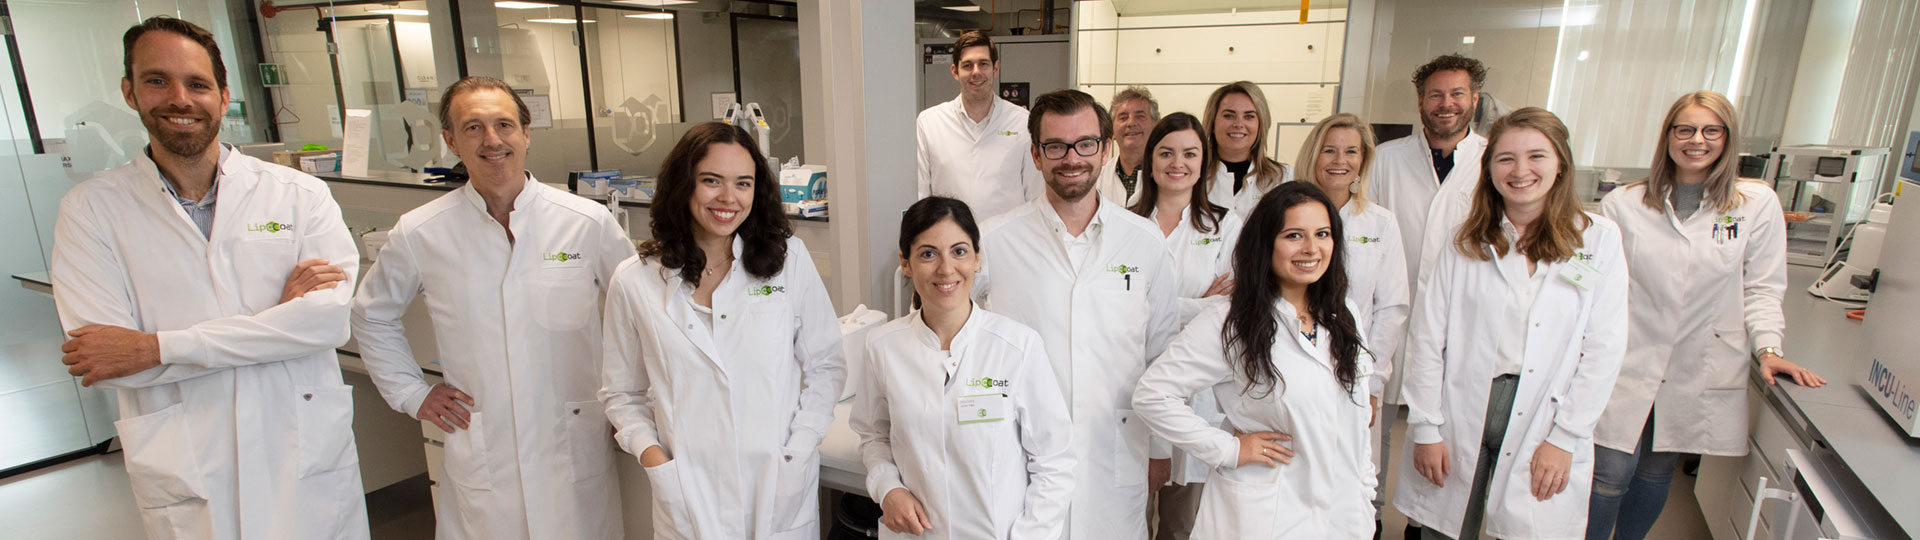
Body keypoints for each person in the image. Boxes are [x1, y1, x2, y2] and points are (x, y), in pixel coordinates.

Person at [52, 16, 368, 539]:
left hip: (297, 447)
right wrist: (276, 322)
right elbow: (109, 363)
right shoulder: (90, 210)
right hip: (187, 462)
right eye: (158, 81)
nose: (180, 99)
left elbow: (326, 323)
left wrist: (155, 347)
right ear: (130, 92)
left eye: (197, 84)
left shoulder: (298, 195)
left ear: (222, 98)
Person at [351, 77, 635, 539]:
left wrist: (632, 400)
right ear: (451, 141)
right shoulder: (422, 231)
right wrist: (412, 393)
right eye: (473, 127)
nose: (492, 140)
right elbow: (371, 314)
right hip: (484, 448)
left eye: (504, 125)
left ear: (526, 133)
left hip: (571, 443)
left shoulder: (585, 222)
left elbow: (639, 311)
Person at [1586, 91, 1827, 540]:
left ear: (1728, 138)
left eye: (1711, 130)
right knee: (1609, 471)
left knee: (1656, 470)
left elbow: (1762, 286)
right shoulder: (1624, 203)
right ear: (1668, 136)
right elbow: (1598, 283)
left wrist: (1769, 348)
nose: (1697, 140)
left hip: (1697, 358)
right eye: (1685, 129)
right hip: (1628, 354)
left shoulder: (1755, 203)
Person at [601, 122, 846, 539]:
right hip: (689, 492)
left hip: (777, 485)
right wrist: (653, 455)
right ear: (684, 184)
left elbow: (827, 365)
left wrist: (800, 445)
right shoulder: (635, 280)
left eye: (743, 183)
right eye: (711, 180)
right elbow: (621, 394)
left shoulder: (788, 261)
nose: (729, 198)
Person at [1393, 108, 1628, 540]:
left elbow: (1604, 349)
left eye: (1536, 156)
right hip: (1461, 406)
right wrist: (1425, 426)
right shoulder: (1465, 240)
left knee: (1527, 529)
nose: (1520, 171)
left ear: (1561, 164)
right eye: (1506, 158)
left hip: (1545, 412)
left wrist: (1565, 438)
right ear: (1489, 169)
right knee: (1443, 530)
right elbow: (1428, 338)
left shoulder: (1598, 239)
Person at [976, 89, 1180, 540]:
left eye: (1086, 144)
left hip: (1117, 447)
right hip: (1021, 451)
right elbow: (958, 337)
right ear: (1036, 155)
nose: (1072, 159)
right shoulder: (993, 241)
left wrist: (1161, 448)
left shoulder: (1144, 241)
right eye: (1056, 146)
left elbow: (1163, 355)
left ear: (1106, 150)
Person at [1134, 181, 1380, 539]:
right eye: (1294, 236)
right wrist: (1230, 449)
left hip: (1342, 519)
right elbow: (1152, 395)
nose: (1311, 248)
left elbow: (1356, 424)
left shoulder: (1344, 315)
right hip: (1264, 517)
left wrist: (1365, 498)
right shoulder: (1231, 321)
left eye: (1322, 234)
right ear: (1265, 243)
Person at [851, 196, 1076, 540]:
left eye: (959, 251)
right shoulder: (883, 346)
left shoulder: (1017, 347)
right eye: (928, 254)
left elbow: (1054, 461)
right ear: (905, 263)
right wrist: (888, 488)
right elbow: (873, 436)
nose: (946, 269)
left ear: (977, 257)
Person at [1370, 57, 1491, 538]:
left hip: (1461, 324)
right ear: (1420, 101)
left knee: (1442, 429)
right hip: (1390, 315)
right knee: (1374, 423)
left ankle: (1424, 524)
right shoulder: (1386, 159)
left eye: (1457, 94)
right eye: (1436, 95)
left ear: (1474, 99)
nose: (1446, 104)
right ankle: (1370, 513)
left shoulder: (1492, 160)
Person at [1123, 111, 1242, 540]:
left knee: (1182, 526)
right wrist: (1199, 304)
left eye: (1190, 154)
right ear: (1150, 160)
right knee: (1125, 515)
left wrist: (1159, 305)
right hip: (1132, 378)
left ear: (1203, 161)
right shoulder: (1123, 224)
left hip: (1199, 393)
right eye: (1166, 153)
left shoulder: (1226, 225)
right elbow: (1118, 307)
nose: (1178, 163)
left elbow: (1230, 310)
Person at [1292, 113, 1410, 533]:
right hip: (1294, 356)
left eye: (1351, 152)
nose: (1340, 160)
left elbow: (1392, 306)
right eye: (1329, 150)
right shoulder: (1284, 211)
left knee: (1351, 476)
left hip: (1353, 368)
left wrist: (1372, 381)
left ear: (1363, 160)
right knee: (1298, 473)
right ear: (1313, 154)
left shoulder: (1380, 222)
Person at [917, 29, 1043, 221]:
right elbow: (921, 196)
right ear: (955, 72)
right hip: (949, 237)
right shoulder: (929, 123)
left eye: (983, 64)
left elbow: (1035, 195)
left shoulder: (1022, 122)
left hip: (1007, 238)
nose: (976, 72)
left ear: (996, 68)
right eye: (967, 65)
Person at [1203, 81, 1293, 217]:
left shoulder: (1284, 178)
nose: (1238, 124)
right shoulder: (1193, 176)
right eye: (1229, 115)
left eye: (1249, 116)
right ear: (1213, 123)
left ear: (1260, 125)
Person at [1098, 86, 1160, 207]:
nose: (1131, 123)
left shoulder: (1168, 176)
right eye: (1123, 117)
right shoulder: (1098, 178)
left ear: (1155, 126)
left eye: (1140, 116)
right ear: (1112, 131)